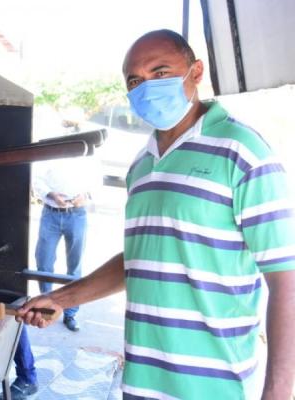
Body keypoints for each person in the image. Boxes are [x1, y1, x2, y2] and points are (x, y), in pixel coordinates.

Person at [17, 29, 295, 400]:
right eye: (135, 80)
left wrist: (277, 391)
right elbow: (141, 258)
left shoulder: (243, 152)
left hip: (214, 388)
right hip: (141, 384)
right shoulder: (142, 165)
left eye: (160, 72)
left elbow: (286, 279)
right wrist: (63, 299)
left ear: (196, 72)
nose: (147, 86)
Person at [32, 153, 101, 331]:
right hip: (51, 213)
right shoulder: (53, 152)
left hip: (77, 214)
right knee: (44, 262)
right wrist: (51, 194)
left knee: (74, 265)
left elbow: (97, 183)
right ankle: (46, 307)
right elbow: (37, 178)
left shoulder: (89, 157)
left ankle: (70, 314)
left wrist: (85, 195)